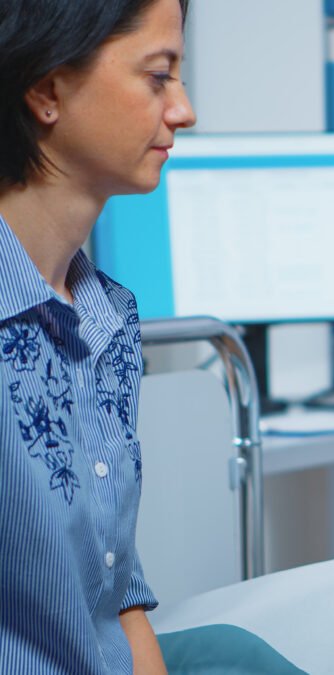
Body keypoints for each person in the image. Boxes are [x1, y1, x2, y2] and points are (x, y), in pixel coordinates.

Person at [0, 0, 196, 672]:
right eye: (158, 77)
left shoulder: (109, 320)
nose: (184, 110)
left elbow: (116, 596)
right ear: (48, 90)